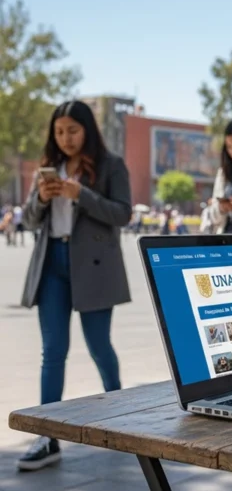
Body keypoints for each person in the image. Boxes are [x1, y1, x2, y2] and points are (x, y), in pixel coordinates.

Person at [18, 100, 132, 471]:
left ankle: (123, 420)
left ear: (87, 130)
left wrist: (80, 193)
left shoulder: (111, 164)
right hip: (52, 261)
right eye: (59, 131)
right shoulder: (48, 167)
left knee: (99, 345)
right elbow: (30, 220)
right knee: (53, 351)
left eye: (72, 130)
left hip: (93, 265)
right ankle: (46, 436)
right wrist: (42, 197)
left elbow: (123, 213)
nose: (65, 138)